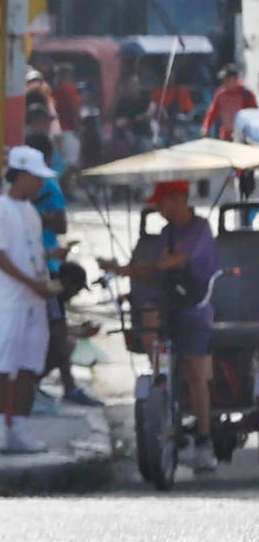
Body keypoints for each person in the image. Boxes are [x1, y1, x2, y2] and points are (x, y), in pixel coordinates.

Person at [100, 180, 219, 472]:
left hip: (194, 308)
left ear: (178, 200)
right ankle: (160, 378)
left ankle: (204, 440)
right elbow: (156, 270)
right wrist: (124, 271)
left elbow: (173, 261)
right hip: (168, 306)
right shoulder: (167, 233)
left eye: (162, 203)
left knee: (194, 369)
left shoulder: (200, 229)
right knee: (148, 312)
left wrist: (141, 268)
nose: (159, 209)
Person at [0, 145, 56, 454]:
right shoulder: (0, 209)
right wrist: (30, 282)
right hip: (9, 297)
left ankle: (20, 426)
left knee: (29, 360)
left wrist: (50, 259)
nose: (41, 185)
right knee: (3, 360)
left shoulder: (30, 211)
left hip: (33, 299)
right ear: (21, 175)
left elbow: (29, 250)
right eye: (36, 178)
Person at [23, 136, 101, 410]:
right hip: (34, 269)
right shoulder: (15, 197)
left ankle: (59, 385)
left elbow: (61, 225)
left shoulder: (48, 188)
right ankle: (62, 386)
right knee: (51, 331)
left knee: (56, 329)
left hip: (49, 268)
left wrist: (34, 216)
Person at [200, 65, 257, 142]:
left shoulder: (246, 94)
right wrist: (206, 127)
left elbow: (254, 116)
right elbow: (212, 112)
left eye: (227, 80)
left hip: (243, 139)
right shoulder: (221, 93)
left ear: (235, 79)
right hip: (225, 137)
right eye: (223, 80)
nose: (224, 83)